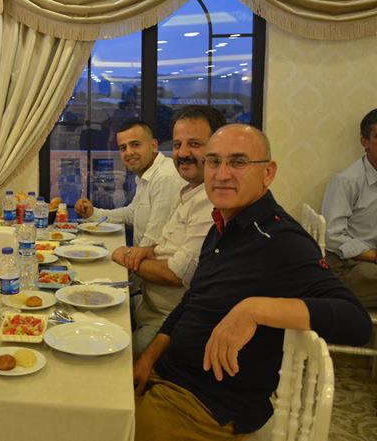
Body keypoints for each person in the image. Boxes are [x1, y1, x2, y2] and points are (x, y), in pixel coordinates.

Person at [133, 124, 372, 440]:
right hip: (167, 376)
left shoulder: (281, 240)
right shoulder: (222, 225)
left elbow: (356, 322)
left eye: (238, 162)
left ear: (268, 173)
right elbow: (193, 300)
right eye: (214, 161)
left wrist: (254, 309)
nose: (222, 174)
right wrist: (149, 357)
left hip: (204, 407)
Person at [111, 106, 225, 353]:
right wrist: (149, 250)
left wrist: (125, 257)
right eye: (177, 145)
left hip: (168, 323)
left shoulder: (211, 202)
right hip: (147, 306)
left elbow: (177, 275)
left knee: (108, 358)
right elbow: (166, 243)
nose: (183, 153)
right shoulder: (190, 189)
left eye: (194, 144)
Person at [75, 120, 184, 247]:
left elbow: (154, 240)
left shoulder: (165, 177)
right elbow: (131, 214)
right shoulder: (146, 174)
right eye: (123, 148)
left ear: (154, 145)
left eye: (135, 144)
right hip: (144, 253)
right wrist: (93, 213)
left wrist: (128, 255)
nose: (129, 152)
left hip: (155, 257)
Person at [321, 108, 377, 308]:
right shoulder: (347, 180)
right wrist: (374, 256)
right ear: (364, 142)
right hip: (348, 264)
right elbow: (332, 236)